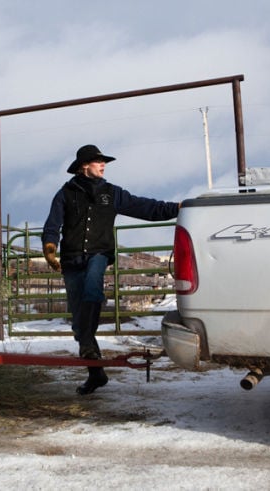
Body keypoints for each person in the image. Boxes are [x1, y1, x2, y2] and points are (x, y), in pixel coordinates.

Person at [42, 144, 179, 395]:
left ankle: (87, 344)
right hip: (71, 260)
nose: (103, 165)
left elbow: (145, 207)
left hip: (98, 254)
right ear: (85, 166)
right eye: (98, 161)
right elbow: (53, 223)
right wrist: (49, 245)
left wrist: (177, 208)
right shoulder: (65, 193)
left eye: (103, 162)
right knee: (78, 319)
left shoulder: (112, 193)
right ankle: (96, 373)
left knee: (93, 289)